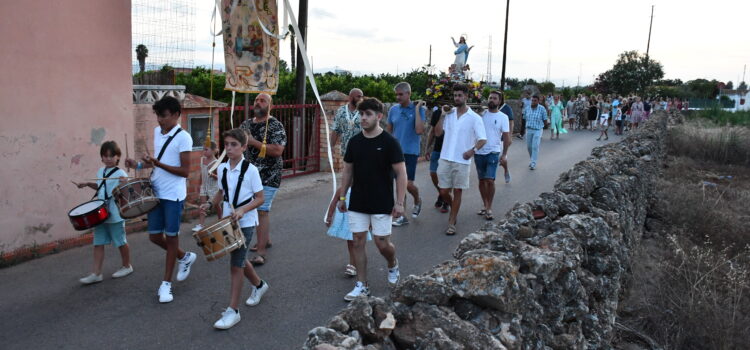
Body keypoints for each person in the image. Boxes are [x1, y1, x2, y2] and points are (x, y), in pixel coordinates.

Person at [124, 96, 195, 303]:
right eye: (157, 115)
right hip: (156, 191)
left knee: (171, 237)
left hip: (173, 195)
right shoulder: (157, 132)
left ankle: (166, 284)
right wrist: (138, 165)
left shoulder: (184, 138)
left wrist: (158, 163)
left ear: (175, 114)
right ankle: (184, 257)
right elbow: (157, 163)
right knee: (154, 237)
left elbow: (184, 171)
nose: (159, 120)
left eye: (163, 116)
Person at [336, 97, 406, 301]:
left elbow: (401, 173)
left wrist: (400, 202)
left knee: (382, 243)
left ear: (379, 116)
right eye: (361, 114)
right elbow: (348, 171)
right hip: (358, 200)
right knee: (357, 241)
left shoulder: (390, 142)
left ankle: (393, 264)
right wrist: (342, 197)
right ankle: (362, 285)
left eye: (368, 114)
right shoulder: (355, 142)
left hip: (382, 201)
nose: (363, 118)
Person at [202, 128, 269, 330]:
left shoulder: (251, 171)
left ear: (244, 147)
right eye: (227, 144)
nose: (229, 148)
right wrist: (209, 204)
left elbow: (260, 198)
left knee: (235, 265)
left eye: (234, 145)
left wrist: (242, 210)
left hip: (246, 222)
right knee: (239, 259)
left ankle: (233, 311)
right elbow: (222, 193)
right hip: (227, 222)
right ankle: (259, 285)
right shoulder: (222, 169)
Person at [74, 141, 133, 284]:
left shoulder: (121, 173)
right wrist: (87, 184)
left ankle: (127, 266)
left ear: (118, 157)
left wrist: (125, 183)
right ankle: (96, 273)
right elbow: (101, 187)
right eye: (105, 156)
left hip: (115, 213)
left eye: (111, 156)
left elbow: (126, 192)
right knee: (98, 242)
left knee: (120, 242)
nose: (108, 158)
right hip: (100, 214)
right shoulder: (101, 171)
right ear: (101, 157)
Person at [239, 93, 287, 266]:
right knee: (255, 210)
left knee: (262, 210)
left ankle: (261, 252)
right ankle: (264, 239)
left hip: (269, 174)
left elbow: (277, 150)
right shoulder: (246, 124)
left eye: (262, 101)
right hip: (249, 176)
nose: (258, 103)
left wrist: (253, 142)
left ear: (270, 106)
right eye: (256, 100)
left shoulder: (275, 125)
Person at [434, 84, 487, 235]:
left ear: (466, 96)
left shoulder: (475, 118)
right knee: (443, 191)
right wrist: (442, 115)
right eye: (455, 95)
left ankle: (452, 221)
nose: (457, 98)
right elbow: (438, 133)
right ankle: (453, 209)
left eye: (459, 95)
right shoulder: (449, 115)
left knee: (457, 190)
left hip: (462, 160)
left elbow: (483, 139)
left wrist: (472, 151)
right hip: (445, 158)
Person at [327, 88, 367, 277]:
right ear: (350, 97)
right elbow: (335, 131)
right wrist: (330, 150)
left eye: (362, 96)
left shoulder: (365, 113)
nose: (360, 98)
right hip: (347, 159)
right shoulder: (342, 112)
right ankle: (353, 259)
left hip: (364, 161)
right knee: (346, 189)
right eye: (358, 96)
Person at [387, 82, 426, 227]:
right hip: (395, 152)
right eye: (396, 94)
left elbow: (419, 130)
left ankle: (417, 199)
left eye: (401, 94)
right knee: (399, 184)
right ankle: (402, 215)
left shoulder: (419, 110)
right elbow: (389, 130)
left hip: (410, 152)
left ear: (408, 94)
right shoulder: (393, 110)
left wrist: (416, 109)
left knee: (409, 184)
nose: (398, 97)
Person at [474, 91, 510, 221]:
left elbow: (506, 137)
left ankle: (489, 207)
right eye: (490, 97)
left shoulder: (503, 117)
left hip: (494, 151)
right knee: (482, 180)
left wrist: (504, 154)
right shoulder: (480, 115)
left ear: (499, 101)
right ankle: (484, 204)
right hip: (479, 152)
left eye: (495, 98)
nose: (492, 100)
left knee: (490, 180)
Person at [425, 107, 450, 213]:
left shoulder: (457, 112)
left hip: (450, 151)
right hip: (437, 149)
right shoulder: (437, 113)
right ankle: (442, 194)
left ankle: (446, 201)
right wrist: (427, 148)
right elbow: (432, 131)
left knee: (447, 177)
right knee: (433, 173)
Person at [192, 142, 220, 232]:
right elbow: (201, 173)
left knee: (217, 206)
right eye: (203, 149)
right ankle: (201, 224)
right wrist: (199, 185)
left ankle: (221, 221)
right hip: (204, 186)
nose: (204, 151)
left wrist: (213, 175)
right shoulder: (202, 159)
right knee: (202, 204)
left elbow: (220, 178)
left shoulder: (216, 163)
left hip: (213, 187)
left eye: (206, 149)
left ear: (213, 151)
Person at [523, 95, 548, 170]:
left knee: (535, 146)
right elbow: (524, 119)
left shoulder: (542, 109)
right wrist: (523, 129)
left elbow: (545, 119)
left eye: (535, 101)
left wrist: (545, 126)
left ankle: (533, 163)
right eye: (532, 100)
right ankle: (532, 160)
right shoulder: (527, 109)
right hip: (529, 129)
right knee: (529, 147)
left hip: (538, 129)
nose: (533, 102)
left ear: (538, 101)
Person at [498, 92, 514, 183]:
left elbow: (511, 122)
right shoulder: (491, 108)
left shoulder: (507, 108)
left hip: (503, 137)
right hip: (493, 137)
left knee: (503, 158)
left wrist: (510, 136)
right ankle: (491, 178)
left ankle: (506, 170)